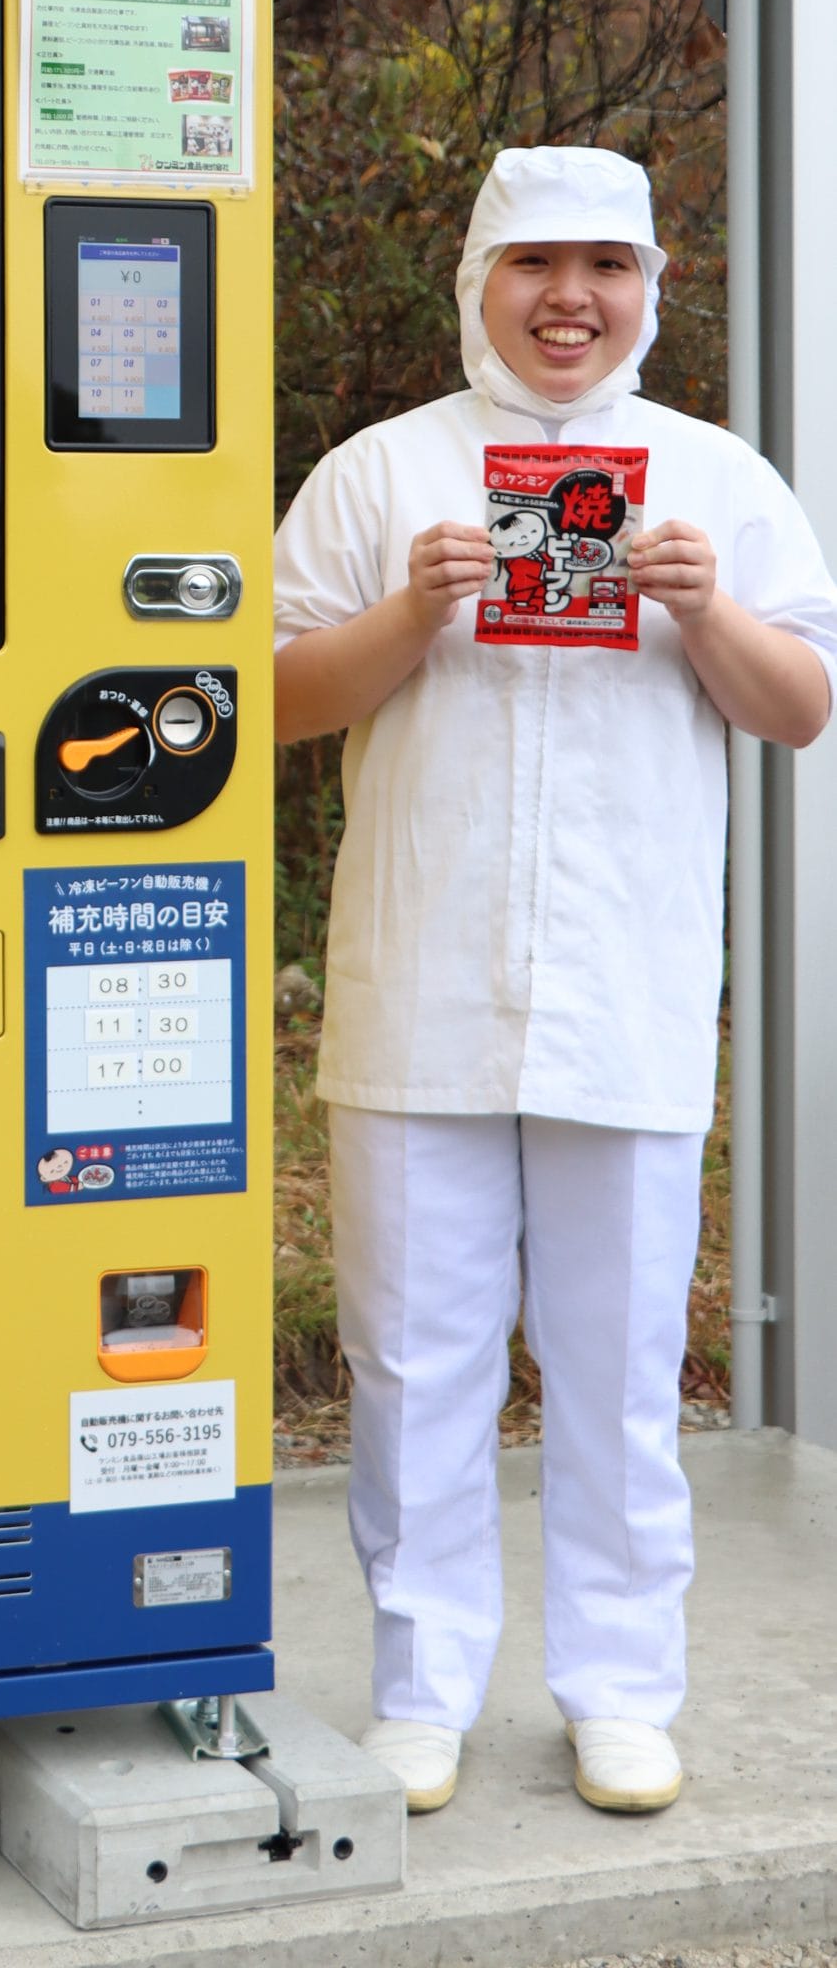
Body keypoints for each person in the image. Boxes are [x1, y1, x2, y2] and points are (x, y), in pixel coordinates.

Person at [272, 145, 837, 1818]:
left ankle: (622, 1692)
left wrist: (706, 612)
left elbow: (801, 706)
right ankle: (423, 1689)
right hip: (421, 983)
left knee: (620, 1366)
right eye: (534, 263)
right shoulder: (385, 472)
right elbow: (276, 696)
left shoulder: (715, 479)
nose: (569, 298)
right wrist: (413, 615)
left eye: (606, 265)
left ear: (652, 287)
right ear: (479, 281)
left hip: (625, 988)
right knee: (412, 1362)